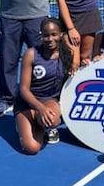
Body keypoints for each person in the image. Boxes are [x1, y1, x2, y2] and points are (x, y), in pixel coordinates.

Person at [14, 18, 78, 154]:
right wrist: (40, 108)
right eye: (46, 35)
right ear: (41, 35)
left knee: (52, 119)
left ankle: (42, 123)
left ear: (61, 35)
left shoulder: (67, 54)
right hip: (28, 103)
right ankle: (27, 121)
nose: (50, 39)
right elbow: (24, 89)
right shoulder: (31, 54)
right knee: (32, 148)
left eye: (54, 34)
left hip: (50, 101)